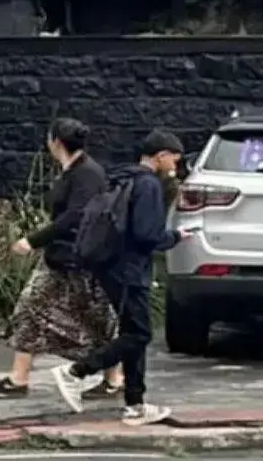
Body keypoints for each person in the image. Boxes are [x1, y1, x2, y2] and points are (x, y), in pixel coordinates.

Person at [51, 129, 192, 426]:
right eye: (174, 161)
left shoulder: (120, 177)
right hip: (130, 271)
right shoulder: (149, 185)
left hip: (111, 266)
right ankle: (76, 372)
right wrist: (175, 237)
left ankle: (135, 404)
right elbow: (146, 234)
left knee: (133, 334)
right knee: (139, 334)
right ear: (161, 155)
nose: (175, 168)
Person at [0, 118, 124, 398]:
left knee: (98, 319)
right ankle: (18, 379)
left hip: (82, 260)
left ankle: (114, 378)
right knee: (30, 307)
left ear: (55, 142)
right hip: (58, 258)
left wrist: (32, 240)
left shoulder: (88, 174)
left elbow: (74, 217)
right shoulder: (70, 171)